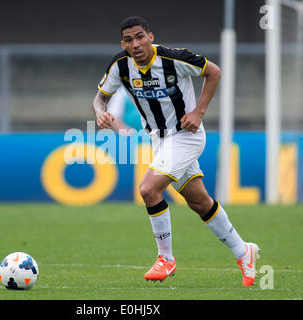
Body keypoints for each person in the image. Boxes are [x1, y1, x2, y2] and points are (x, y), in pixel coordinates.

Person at [92, 16, 260, 286]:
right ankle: (244, 251)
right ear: (122, 44)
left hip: (186, 136)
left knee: (148, 190)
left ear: (150, 36)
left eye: (139, 37)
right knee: (199, 202)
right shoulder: (120, 66)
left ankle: (166, 259)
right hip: (159, 140)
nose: (135, 44)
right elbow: (101, 97)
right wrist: (100, 113)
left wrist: (198, 111)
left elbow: (213, 71)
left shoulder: (173, 59)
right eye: (128, 39)